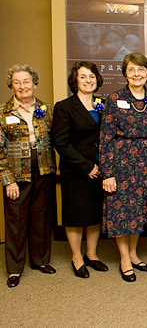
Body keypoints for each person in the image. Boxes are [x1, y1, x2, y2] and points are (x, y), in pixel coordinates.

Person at [100, 53, 147, 282]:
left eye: (141, 70)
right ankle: (124, 258)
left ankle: (135, 254)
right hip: (122, 163)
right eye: (132, 70)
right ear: (125, 73)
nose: (137, 74)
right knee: (122, 211)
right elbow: (105, 137)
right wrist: (108, 172)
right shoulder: (114, 98)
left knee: (139, 210)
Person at [1, 64, 57, 288]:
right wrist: (8, 180)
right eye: (17, 82)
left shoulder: (47, 109)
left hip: (44, 170)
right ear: (11, 86)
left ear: (34, 83)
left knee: (41, 217)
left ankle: (41, 260)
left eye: (26, 81)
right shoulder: (4, 113)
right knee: (16, 221)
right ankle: (14, 269)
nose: (22, 86)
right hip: (17, 175)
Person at [51, 61, 109, 279]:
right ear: (75, 81)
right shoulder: (64, 107)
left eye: (92, 76)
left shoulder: (103, 105)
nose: (88, 80)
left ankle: (92, 255)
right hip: (76, 171)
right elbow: (61, 142)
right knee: (76, 215)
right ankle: (77, 257)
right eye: (83, 76)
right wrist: (87, 167)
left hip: (101, 170)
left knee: (94, 214)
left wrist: (103, 166)